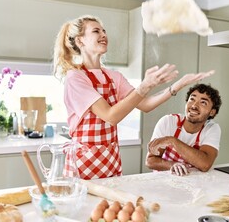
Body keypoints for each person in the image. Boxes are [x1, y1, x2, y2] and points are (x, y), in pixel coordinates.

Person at [53, 14, 214, 180]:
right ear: (80, 41)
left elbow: (146, 104)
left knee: (112, 206)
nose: (103, 35)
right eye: (96, 31)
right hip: (84, 163)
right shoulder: (76, 78)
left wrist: (178, 85)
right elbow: (110, 116)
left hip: (110, 160)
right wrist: (145, 86)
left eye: (104, 31)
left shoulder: (113, 76)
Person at [145, 83, 222, 176]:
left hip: (193, 182)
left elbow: (205, 164)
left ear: (212, 112)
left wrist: (172, 141)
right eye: (192, 99)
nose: (194, 105)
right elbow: (150, 161)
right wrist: (172, 165)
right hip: (164, 180)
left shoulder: (211, 129)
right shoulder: (168, 121)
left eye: (203, 102)